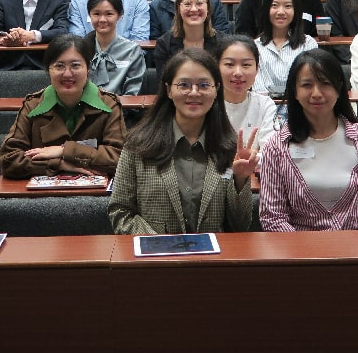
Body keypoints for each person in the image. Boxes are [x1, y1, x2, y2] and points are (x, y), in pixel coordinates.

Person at [108, 49, 259, 234]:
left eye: (204, 85)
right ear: (169, 90)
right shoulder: (138, 145)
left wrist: (240, 180)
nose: (194, 93)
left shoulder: (230, 148)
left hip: (212, 252)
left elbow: (239, 226)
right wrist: (160, 244)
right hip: (156, 250)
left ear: (216, 89)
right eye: (184, 85)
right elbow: (120, 212)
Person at [258, 50, 358, 231]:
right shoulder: (276, 146)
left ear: (338, 88)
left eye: (325, 83)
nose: (316, 93)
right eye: (307, 85)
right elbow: (273, 217)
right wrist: (306, 248)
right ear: (294, 91)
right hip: (299, 247)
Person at [0, 34, 127, 179]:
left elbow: (120, 159)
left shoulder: (109, 104)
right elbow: (9, 160)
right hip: (43, 191)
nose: (67, 74)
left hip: (95, 190)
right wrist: (58, 164)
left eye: (75, 65)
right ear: (48, 70)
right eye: (59, 66)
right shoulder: (33, 105)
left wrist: (65, 150)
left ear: (88, 68)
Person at [253, 0, 319, 98]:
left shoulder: (308, 44)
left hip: (300, 105)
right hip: (265, 107)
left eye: (288, 6)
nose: (281, 12)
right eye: (275, 5)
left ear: (296, 10)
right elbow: (258, 90)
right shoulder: (255, 46)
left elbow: (309, 82)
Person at [215, 35, 279, 148]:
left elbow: (271, 150)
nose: (238, 73)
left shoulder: (265, 105)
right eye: (229, 64)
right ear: (217, 66)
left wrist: (253, 157)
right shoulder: (207, 103)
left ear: (257, 68)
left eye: (246, 65)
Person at [84, 0, 146, 96]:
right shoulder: (81, 49)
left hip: (121, 105)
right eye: (96, 14)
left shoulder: (132, 50)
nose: (102, 19)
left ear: (120, 15)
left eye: (109, 14)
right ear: (89, 15)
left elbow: (133, 92)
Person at [154, 0, 220, 68]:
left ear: (208, 8)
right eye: (187, 4)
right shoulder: (164, 44)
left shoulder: (222, 43)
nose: (194, 9)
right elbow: (164, 76)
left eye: (199, 3)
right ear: (178, 9)